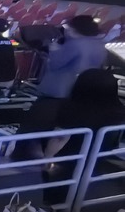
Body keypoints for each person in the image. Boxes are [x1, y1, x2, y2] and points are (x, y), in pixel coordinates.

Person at [14, 14, 108, 159]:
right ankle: (49, 158)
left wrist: (54, 48)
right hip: (78, 93)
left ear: (76, 29)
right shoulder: (100, 46)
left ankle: (24, 157)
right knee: (61, 130)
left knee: (34, 127)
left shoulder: (74, 44)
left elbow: (55, 63)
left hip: (56, 93)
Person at [42, 69, 125, 204]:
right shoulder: (119, 112)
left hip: (66, 161)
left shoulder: (69, 108)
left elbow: (59, 138)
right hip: (97, 162)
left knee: (56, 197)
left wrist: (47, 157)